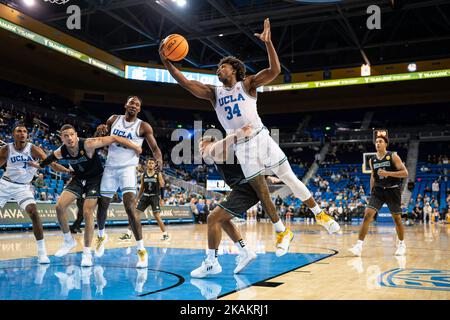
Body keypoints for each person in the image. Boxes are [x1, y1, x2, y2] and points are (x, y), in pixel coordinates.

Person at [159, 19, 340, 251]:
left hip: (262, 138)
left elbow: (275, 71)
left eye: (222, 66)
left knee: (289, 178)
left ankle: (320, 214)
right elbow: (184, 82)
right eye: (217, 68)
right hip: (242, 147)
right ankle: (281, 231)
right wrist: (166, 61)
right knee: (262, 192)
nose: (218, 69)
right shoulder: (213, 94)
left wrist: (268, 43)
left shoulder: (248, 84)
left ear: (233, 69)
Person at [33, 124, 142, 267]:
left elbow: (114, 137)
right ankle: (68, 240)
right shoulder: (62, 151)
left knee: (87, 212)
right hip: (78, 179)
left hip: (95, 180)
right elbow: (48, 160)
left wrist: (135, 147)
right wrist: (39, 165)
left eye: (72, 134)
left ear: (76, 135)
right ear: (62, 138)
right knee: (59, 206)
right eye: (66, 136)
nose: (69, 138)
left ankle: (87, 253)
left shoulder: (89, 144)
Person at [191, 129, 271, 278]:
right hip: (244, 188)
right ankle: (245, 252)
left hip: (245, 189)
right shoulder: (220, 155)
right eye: (200, 147)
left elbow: (224, 142)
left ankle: (211, 262)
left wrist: (236, 135)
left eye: (203, 145)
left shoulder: (218, 151)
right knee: (222, 219)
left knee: (212, 218)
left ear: (212, 143)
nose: (202, 149)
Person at [95, 96, 163, 268]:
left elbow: (154, 148)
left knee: (130, 207)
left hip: (127, 169)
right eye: (131, 103)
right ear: (125, 105)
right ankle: (101, 236)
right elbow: (100, 138)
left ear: (139, 109)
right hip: (110, 167)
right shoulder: (113, 120)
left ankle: (141, 250)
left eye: (137, 104)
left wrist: (159, 162)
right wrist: (99, 131)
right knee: (102, 204)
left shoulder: (143, 126)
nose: (134, 106)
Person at [0, 123, 70, 264]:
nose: (22, 134)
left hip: (23, 187)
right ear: (13, 134)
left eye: (25, 131)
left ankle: (42, 252)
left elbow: (52, 164)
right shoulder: (6, 149)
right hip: (5, 184)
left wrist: (69, 171)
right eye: (19, 131)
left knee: (33, 211)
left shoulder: (34, 149)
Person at [349, 131, 409, 257]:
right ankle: (358, 246)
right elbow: (372, 176)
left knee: (397, 219)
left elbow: (405, 173)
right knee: (367, 215)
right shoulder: (372, 160)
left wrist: (389, 174)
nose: (378, 143)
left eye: (380, 141)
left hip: (393, 190)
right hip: (378, 191)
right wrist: (371, 193)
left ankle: (401, 244)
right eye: (376, 142)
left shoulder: (393, 156)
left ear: (385, 144)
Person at [119, 158, 169, 241]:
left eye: (152, 163)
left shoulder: (158, 174)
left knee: (157, 216)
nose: (151, 164)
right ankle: (128, 234)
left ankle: (165, 234)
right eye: (149, 163)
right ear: (147, 164)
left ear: (154, 165)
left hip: (154, 197)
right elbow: (142, 188)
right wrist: (137, 198)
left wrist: (162, 199)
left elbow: (162, 186)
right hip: (145, 196)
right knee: (135, 215)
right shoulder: (143, 175)